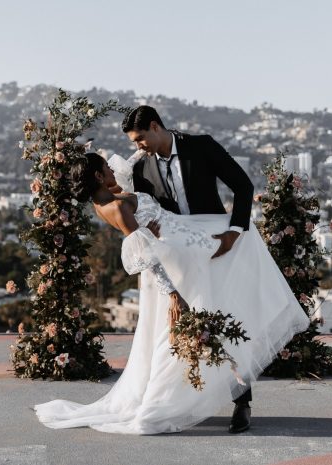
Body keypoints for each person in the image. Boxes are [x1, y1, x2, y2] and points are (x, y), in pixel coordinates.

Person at [32, 151, 310, 435]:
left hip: (183, 239)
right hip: (175, 265)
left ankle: (210, 390)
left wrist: (146, 149)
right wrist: (174, 294)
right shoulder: (116, 207)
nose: (112, 169)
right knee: (183, 327)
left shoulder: (104, 199)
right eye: (106, 167)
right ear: (98, 177)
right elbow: (146, 255)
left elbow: (127, 182)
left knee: (240, 243)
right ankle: (161, 405)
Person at [124, 105, 254, 431]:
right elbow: (148, 215)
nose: (138, 146)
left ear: (156, 126)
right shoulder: (141, 170)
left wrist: (234, 232)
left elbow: (243, 186)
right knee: (178, 329)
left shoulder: (202, 146)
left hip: (217, 249)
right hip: (177, 257)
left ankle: (242, 403)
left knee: (223, 323)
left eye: (140, 138)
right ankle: (181, 401)